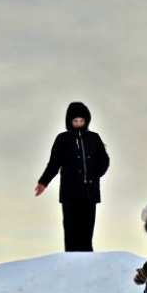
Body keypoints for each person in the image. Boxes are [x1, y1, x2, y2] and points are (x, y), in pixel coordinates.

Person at [35, 102, 110, 252]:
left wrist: (97, 173)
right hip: (70, 193)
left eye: (81, 121)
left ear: (86, 121)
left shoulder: (94, 138)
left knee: (87, 229)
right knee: (71, 229)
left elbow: (104, 159)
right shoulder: (63, 139)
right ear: (69, 122)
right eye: (75, 121)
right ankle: (70, 259)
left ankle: (88, 257)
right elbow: (54, 164)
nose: (78, 124)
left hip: (90, 191)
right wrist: (44, 182)